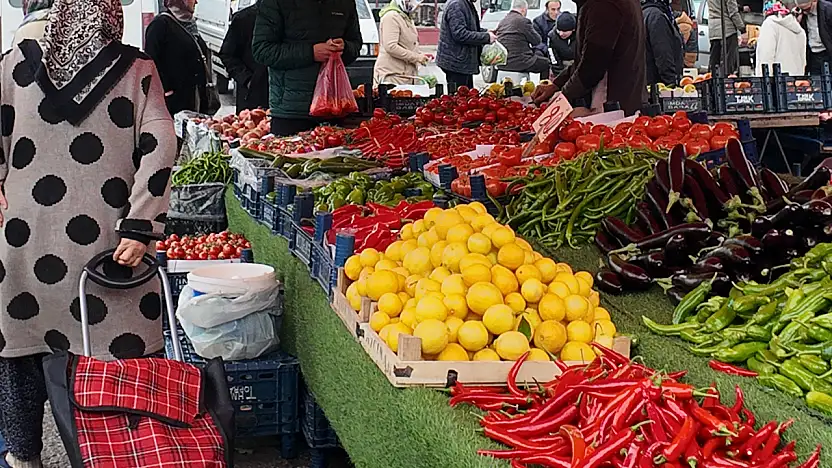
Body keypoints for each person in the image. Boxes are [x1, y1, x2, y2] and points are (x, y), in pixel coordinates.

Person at [0, 0, 176, 465]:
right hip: (110, 246)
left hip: (25, 242)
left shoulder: (11, 67)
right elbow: (161, 146)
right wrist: (141, 225)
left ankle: (23, 454)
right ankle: (119, 450)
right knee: (120, 354)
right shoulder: (137, 70)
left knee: (23, 350)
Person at [252, 0, 362, 136]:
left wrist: (344, 47)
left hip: (335, 107)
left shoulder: (345, 3)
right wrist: (311, 53)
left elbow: (355, 44)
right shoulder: (276, 3)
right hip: (291, 111)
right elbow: (262, 50)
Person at [532, 0, 646, 116]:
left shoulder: (603, 6)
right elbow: (586, 59)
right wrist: (556, 85)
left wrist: (563, 97)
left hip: (612, 104)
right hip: (622, 99)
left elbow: (592, 66)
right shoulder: (600, 5)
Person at [145, 0, 213, 116]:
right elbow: (151, 61)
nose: (196, 2)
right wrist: (166, 90)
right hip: (175, 104)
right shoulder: (160, 25)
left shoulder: (190, 24)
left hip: (195, 98)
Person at [218, 2, 269, 112]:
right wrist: (247, 80)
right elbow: (227, 54)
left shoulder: (289, 20)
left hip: (283, 101)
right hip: (252, 100)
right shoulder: (244, 19)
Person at [436, 0, 497, 89]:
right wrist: (486, 37)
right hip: (456, 63)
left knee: (467, 93)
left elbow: (470, 28)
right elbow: (460, 34)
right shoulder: (456, 5)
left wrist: (486, 32)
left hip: (461, 62)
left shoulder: (464, 4)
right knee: (459, 94)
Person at [374, 0, 430, 85]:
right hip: (392, 75)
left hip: (406, 75)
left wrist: (420, 55)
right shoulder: (391, 17)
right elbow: (391, 46)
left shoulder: (406, 17)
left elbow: (408, 44)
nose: (418, 5)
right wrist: (416, 57)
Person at [495, 0, 551, 74]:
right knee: (546, 63)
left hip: (502, 63)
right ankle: (544, 82)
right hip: (520, 62)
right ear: (523, 9)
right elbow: (537, 41)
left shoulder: (503, 21)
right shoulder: (523, 21)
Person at [756, 0, 807, 75]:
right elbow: (803, 63)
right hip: (796, 80)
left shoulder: (769, 25)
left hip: (777, 79)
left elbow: (765, 58)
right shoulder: (800, 31)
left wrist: (763, 78)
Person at [643, 0, 684, 85]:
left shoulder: (645, 12)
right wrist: (673, 84)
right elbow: (664, 56)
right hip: (659, 86)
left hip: (648, 83)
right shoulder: (657, 17)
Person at [708, 0, 745, 75]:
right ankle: (726, 80)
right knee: (727, 64)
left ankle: (712, 79)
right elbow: (733, 13)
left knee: (714, 62)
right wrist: (742, 29)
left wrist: (740, 8)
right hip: (727, 31)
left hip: (713, 30)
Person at [797, 0, 832, 74]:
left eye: (807, 9)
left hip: (827, 52)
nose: (805, 12)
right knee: (815, 79)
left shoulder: (828, 10)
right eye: (802, 10)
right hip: (813, 55)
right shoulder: (800, 14)